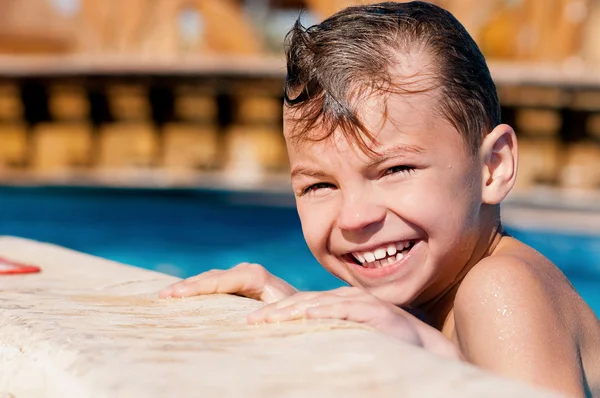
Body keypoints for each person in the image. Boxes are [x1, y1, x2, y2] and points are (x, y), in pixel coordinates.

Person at [159, 2, 600, 395]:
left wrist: (423, 346)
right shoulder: (439, 292)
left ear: (493, 167)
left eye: (394, 170)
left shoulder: (500, 288)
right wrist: (306, 309)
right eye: (319, 186)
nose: (354, 217)